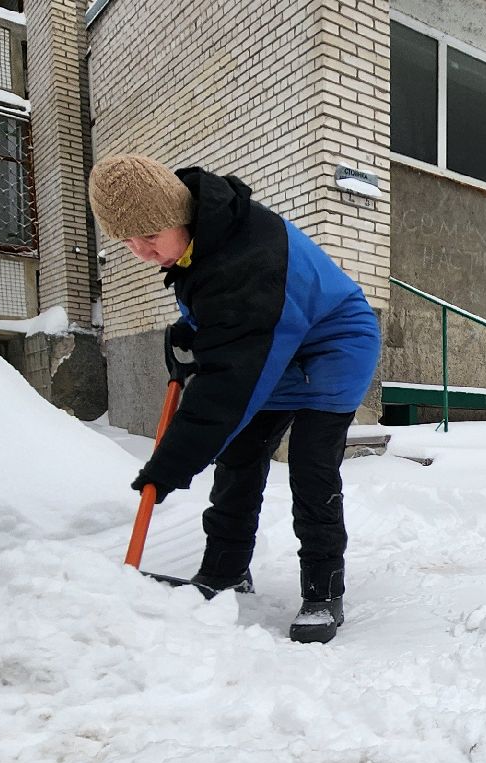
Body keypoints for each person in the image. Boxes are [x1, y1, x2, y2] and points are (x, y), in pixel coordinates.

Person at [89, 154, 380, 644]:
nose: (141, 251)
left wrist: (170, 464)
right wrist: (193, 329)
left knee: (311, 469)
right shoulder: (202, 235)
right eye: (127, 242)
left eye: (150, 236)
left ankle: (323, 590)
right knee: (239, 461)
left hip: (333, 347)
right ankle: (224, 572)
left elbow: (228, 385)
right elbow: (230, 320)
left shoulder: (247, 255)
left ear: (178, 217)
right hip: (274, 340)